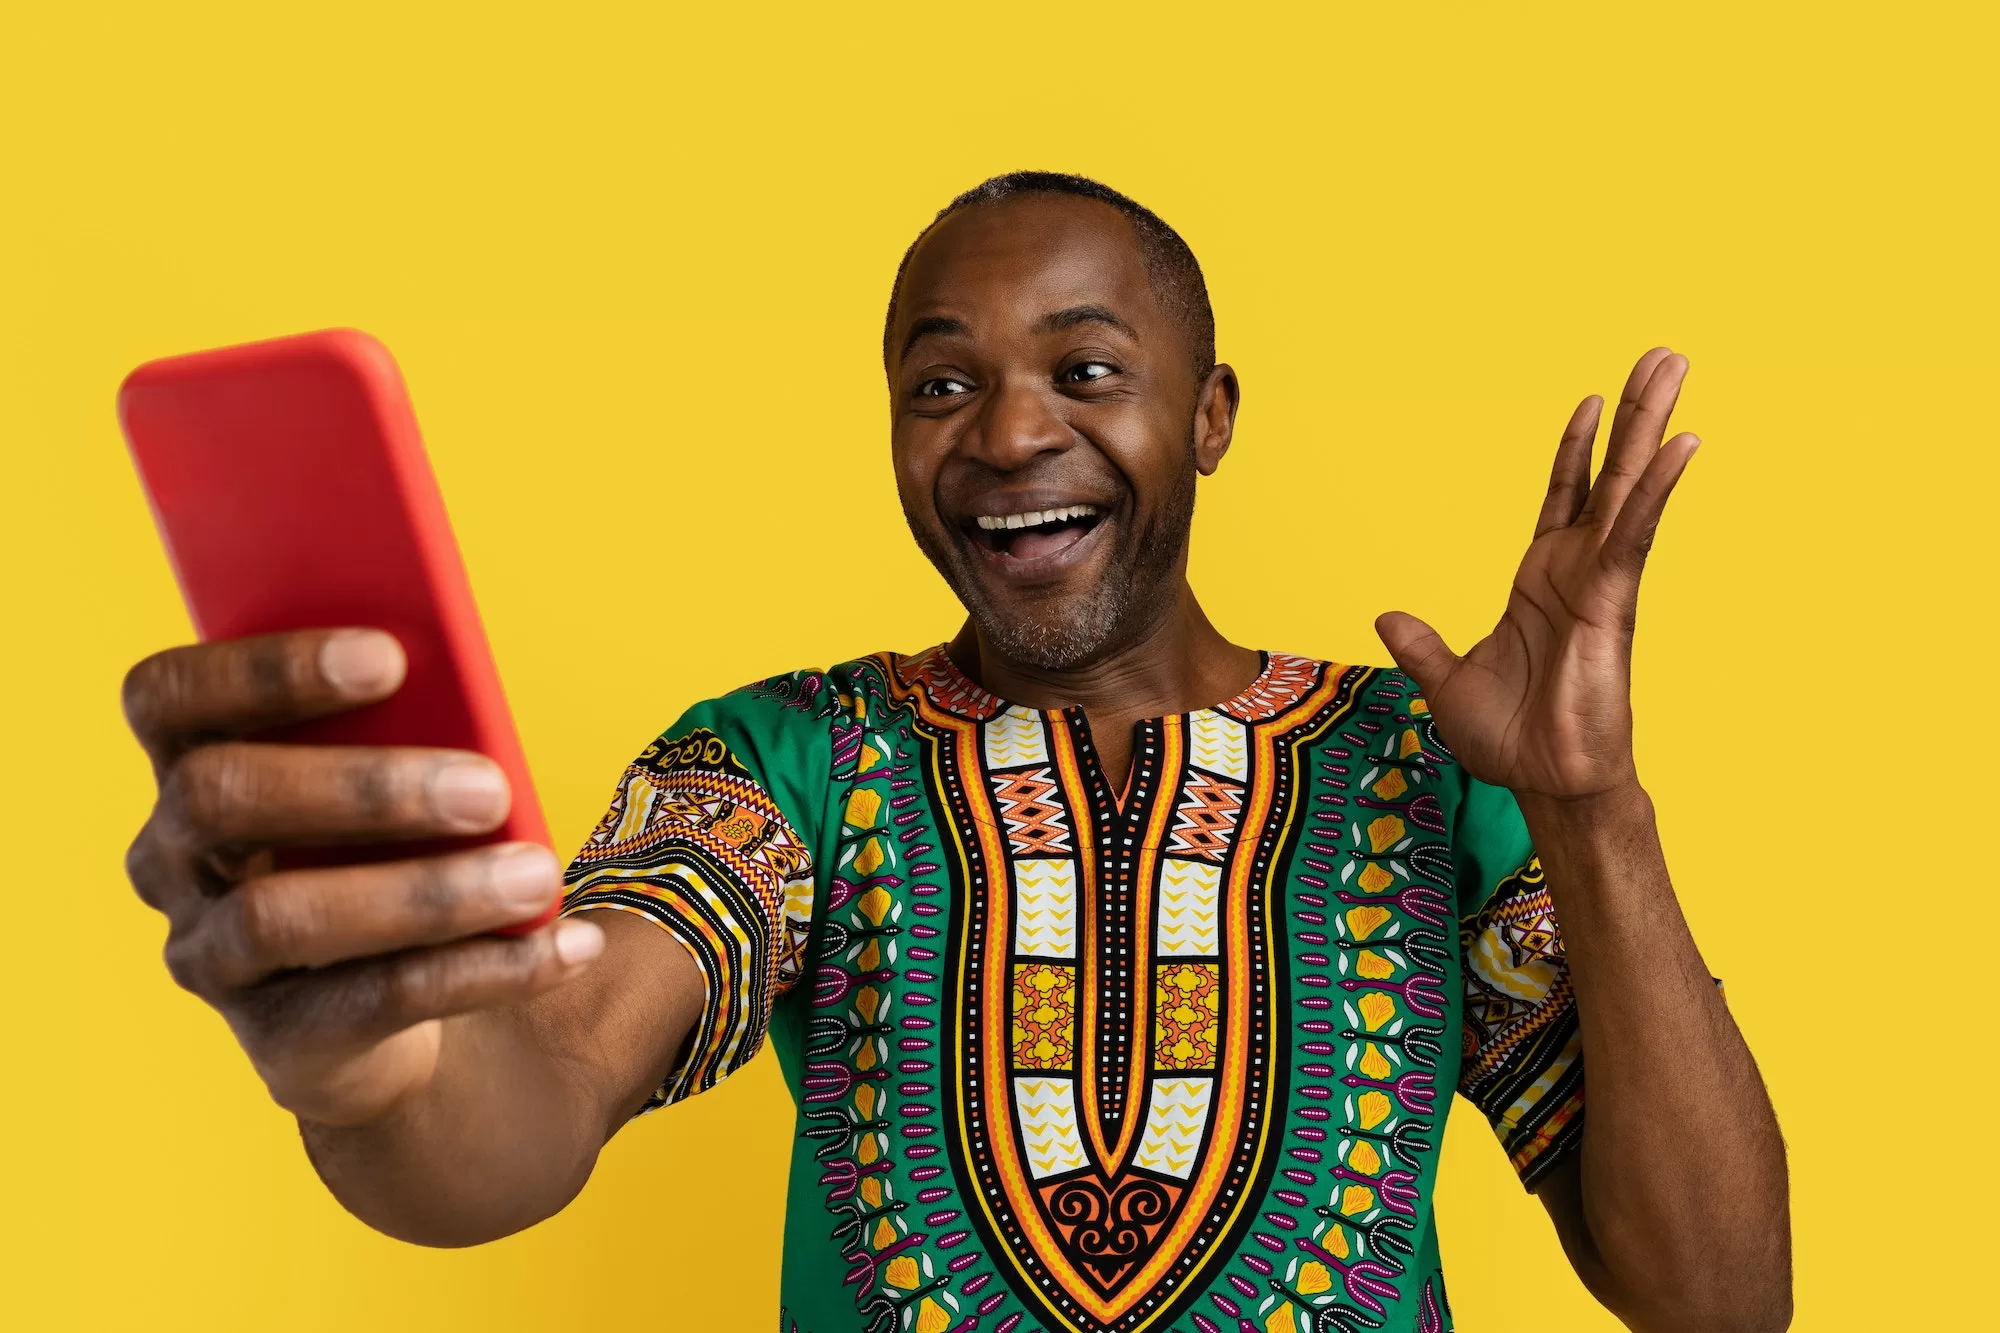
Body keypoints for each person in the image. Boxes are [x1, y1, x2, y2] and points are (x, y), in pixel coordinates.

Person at [120, 172, 1790, 1333]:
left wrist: (1590, 810)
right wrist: (370, 1074)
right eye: (940, 385)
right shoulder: (792, 762)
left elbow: (1720, 1294)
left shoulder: (1426, 773)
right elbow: (531, 1098)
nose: (1005, 433)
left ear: (1207, 415)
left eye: (1084, 368)